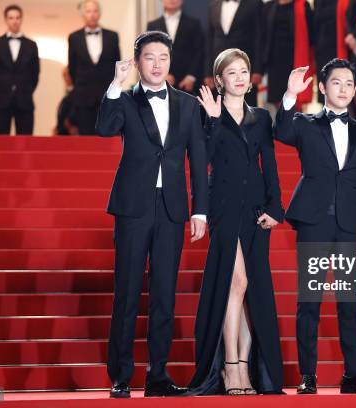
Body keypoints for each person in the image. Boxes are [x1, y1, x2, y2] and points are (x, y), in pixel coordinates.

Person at [95, 31, 208, 398]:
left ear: (170, 61)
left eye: (162, 57)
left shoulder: (189, 105)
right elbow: (104, 128)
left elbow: (198, 161)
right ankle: (121, 376)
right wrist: (115, 84)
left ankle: (157, 374)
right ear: (136, 61)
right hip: (132, 208)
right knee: (126, 293)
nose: (156, 64)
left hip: (173, 210)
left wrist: (200, 212)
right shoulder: (125, 100)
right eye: (149, 57)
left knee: (164, 294)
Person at [273, 60, 356, 395]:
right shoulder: (305, 124)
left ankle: (353, 374)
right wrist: (290, 96)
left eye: (350, 84)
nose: (344, 89)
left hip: (350, 224)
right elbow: (280, 130)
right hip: (314, 223)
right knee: (310, 301)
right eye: (337, 83)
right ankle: (309, 375)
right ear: (323, 87)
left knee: (350, 301)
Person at [187, 48, 285, 396]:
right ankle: (229, 365)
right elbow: (204, 161)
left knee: (250, 291)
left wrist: (277, 206)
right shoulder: (207, 114)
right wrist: (212, 120)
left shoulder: (261, 117)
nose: (240, 77)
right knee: (238, 281)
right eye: (232, 73)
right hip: (224, 206)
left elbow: (269, 165)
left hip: (256, 208)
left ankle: (243, 366)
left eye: (244, 70)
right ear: (220, 80)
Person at [0, 4, 40, 135]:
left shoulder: (32, 45)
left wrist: (26, 90)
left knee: (26, 142)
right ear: (6, 20)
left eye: (17, 17)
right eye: (11, 18)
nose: (14, 21)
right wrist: (0, 90)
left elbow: (35, 73)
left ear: (21, 19)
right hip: (0, 100)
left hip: (24, 100)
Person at [68, 0, 120, 135]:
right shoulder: (74, 37)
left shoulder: (112, 36)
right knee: (86, 139)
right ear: (83, 14)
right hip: (83, 96)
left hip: (107, 95)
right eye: (88, 11)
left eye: (95, 11)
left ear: (100, 14)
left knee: (108, 137)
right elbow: (72, 67)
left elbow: (117, 65)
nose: (92, 15)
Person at [205, 0, 263, 106]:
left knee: (246, 109)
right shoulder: (213, 4)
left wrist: (258, 70)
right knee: (219, 109)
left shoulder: (254, 3)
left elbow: (259, 38)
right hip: (219, 67)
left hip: (244, 66)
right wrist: (208, 72)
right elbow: (209, 40)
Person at [262, 0, 314, 107]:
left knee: (295, 103)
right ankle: (282, 123)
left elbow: (312, 37)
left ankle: (294, 123)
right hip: (274, 62)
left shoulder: (303, 5)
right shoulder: (269, 6)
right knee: (278, 102)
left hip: (295, 61)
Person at [147, 0, 204, 95]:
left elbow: (199, 52)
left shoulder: (194, 24)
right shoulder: (152, 26)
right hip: (161, 84)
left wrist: (191, 76)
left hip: (188, 85)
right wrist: (162, 74)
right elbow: (150, 53)